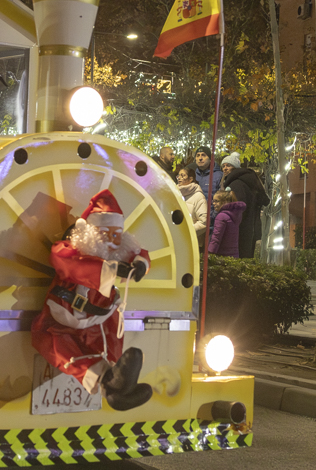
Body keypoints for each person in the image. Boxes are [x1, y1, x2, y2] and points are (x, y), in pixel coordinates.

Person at [30, 190, 152, 410]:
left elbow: (137, 252)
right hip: (61, 321)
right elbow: (68, 262)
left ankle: (118, 385)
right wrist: (111, 270)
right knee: (58, 346)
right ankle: (113, 387)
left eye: (117, 235)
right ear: (90, 232)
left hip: (100, 320)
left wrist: (141, 263)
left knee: (110, 343)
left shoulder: (115, 250)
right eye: (107, 233)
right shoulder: (68, 249)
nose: (113, 241)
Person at [220, 154, 269, 259]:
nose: (225, 168)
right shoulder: (246, 181)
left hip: (240, 230)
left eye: (228, 165)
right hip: (249, 228)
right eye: (223, 166)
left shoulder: (236, 184)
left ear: (235, 167)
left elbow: (237, 209)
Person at [174, 165, 208, 252]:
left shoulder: (198, 196)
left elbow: (204, 222)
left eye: (183, 175)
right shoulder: (174, 194)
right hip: (175, 240)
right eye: (178, 175)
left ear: (190, 179)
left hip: (191, 243)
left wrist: (187, 231)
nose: (179, 178)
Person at [206, 188, 244, 257]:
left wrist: (210, 253)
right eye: (213, 201)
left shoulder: (221, 216)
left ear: (224, 202)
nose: (213, 204)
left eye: (216, 201)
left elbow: (216, 237)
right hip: (233, 254)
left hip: (222, 255)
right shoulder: (235, 214)